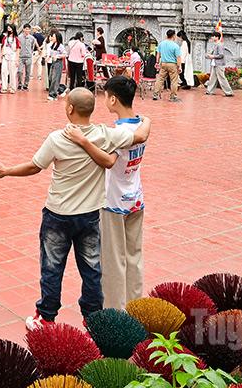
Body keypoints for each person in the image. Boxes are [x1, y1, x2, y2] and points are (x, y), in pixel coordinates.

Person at [0, 88, 151, 329]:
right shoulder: (105, 135)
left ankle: (45, 317)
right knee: (91, 270)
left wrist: (5, 171)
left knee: (52, 268)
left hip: (58, 215)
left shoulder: (57, 138)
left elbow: (35, 167)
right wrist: (147, 119)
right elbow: (139, 136)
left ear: (69, 109)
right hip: (89, 217)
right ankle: (93, 319)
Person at [64, 76, 150, 310]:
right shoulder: (142, 124)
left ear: (113, 99)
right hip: (136, 198)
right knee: (134, 255)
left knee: (113, 260)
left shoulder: (116, 133)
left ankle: (115, 311)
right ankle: (135, 305)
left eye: (105, 96)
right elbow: (145, 128)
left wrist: (83, 141)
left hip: (113, 201)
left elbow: (108, 161)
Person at [152, 30, 182, 102]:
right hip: (172, 64)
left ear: (167, 35)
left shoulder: (161, 44)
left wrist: (157, 62)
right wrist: (179, 66)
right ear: (173, 36)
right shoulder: (175, 46)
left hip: (163, 63)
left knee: (160, 79)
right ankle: (173, 96)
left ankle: (155, 94)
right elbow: (178, 57)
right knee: (174, 81)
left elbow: (158, 54)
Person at [44, 31, 66, 100]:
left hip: (58, 63)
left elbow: (65, 54)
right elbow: (51, 53)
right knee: (51, 78)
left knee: (55, 79)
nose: (52, 38)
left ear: (57, 38)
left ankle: (53, 95)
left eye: (53, 36)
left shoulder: (61, 46)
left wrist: (58, 56)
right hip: (53, 63)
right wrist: (48, 57)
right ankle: (62, 89)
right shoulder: (53, 45)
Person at [1, 28, 20, 94]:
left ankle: (12, 87)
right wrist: (1, 55)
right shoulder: (5, 38)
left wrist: (17, 59)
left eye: (10, 28)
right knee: (4, 72)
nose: (8, 29)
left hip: (13, 57)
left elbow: (18, 49)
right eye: (8, 28)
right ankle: (4, 87)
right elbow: (2, 46)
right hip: (5, 57)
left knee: (13, 73)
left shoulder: (16, 39)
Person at [18, 25, 37, 91]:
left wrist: (30, 52)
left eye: (28, 29)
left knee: (28, 72)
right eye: (26, 29)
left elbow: (32, 46)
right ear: (23, 29)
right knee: (20, 71)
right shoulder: (19, 37)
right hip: (20, 56)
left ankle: (26, 85)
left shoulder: (32, 38)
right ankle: (20, 84)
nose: (27, 31)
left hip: (29, 56)